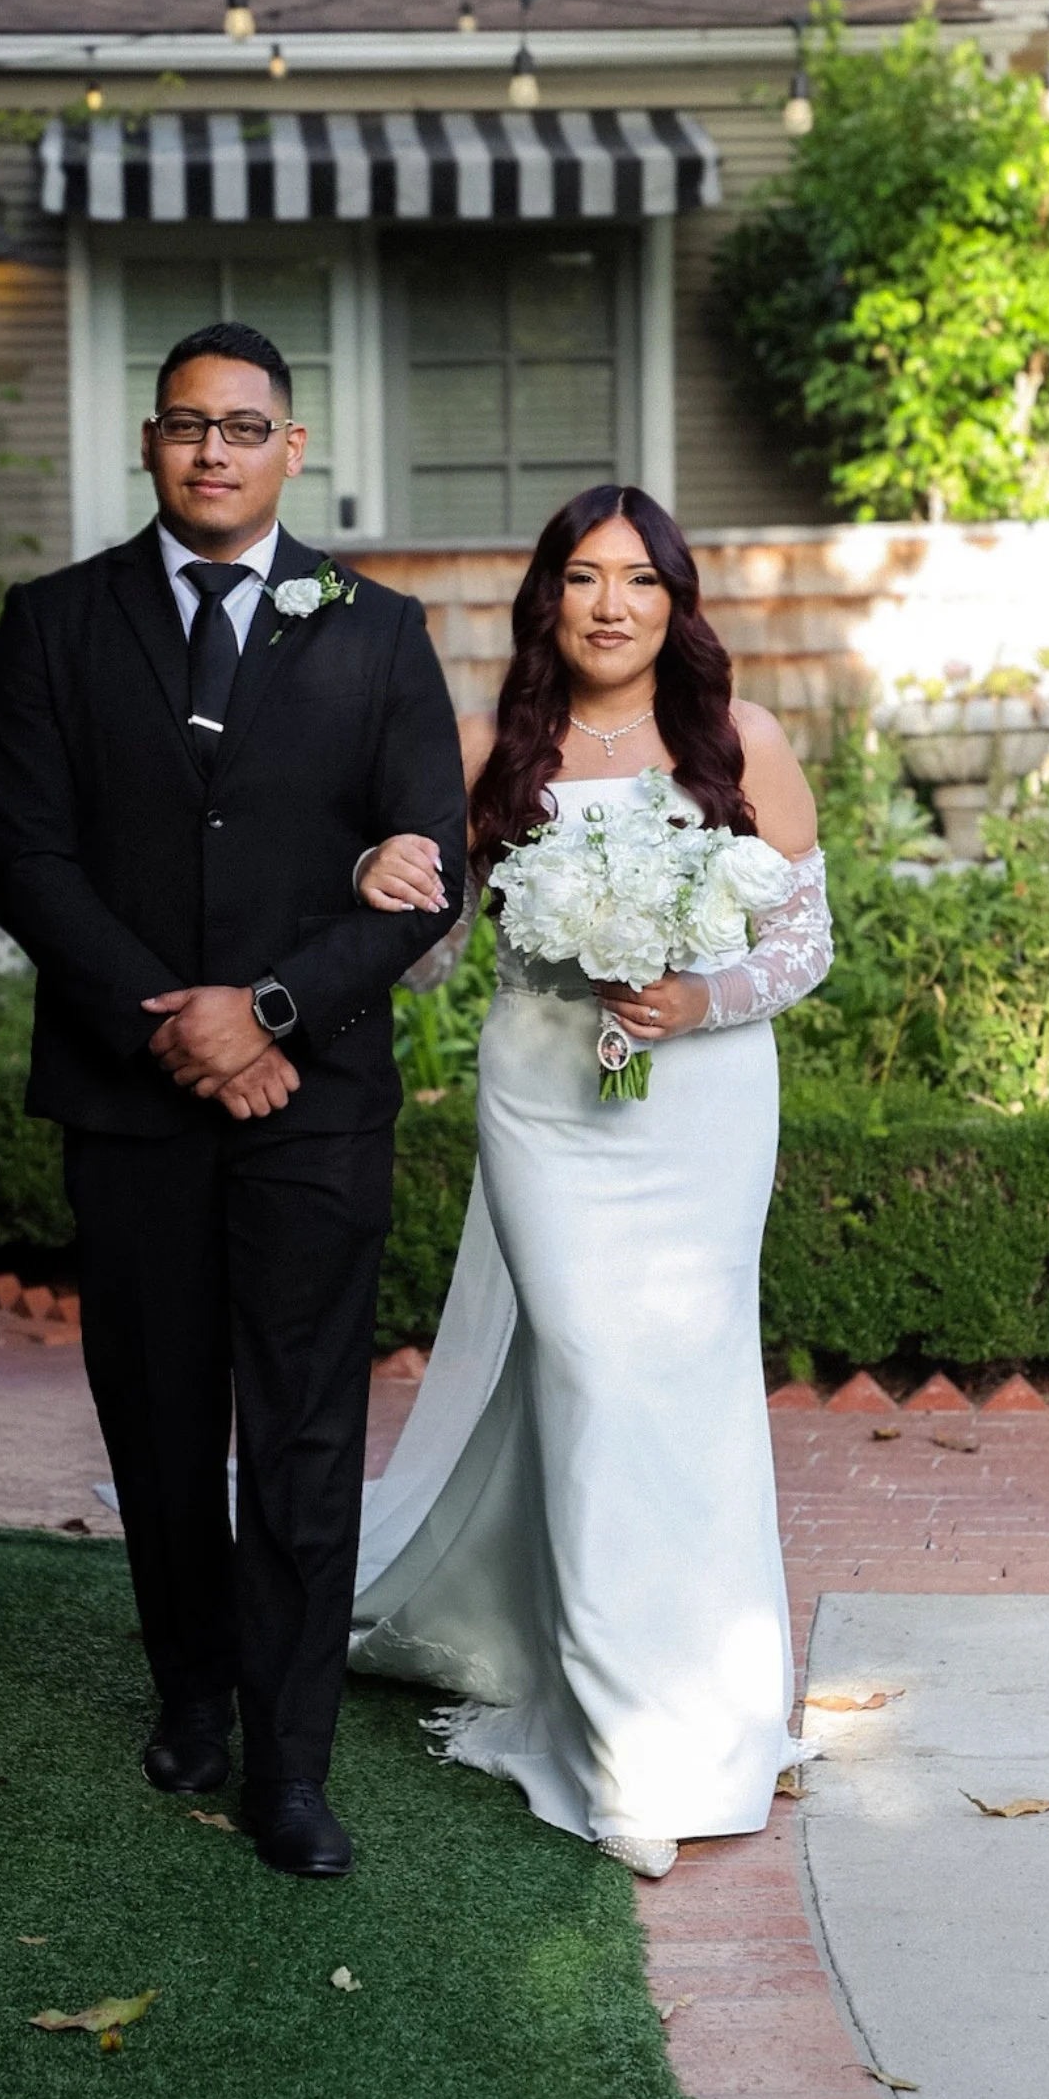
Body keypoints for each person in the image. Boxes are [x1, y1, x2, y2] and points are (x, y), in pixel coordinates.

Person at [0, 321, 467, 1879]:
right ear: (149, 441)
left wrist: (263, 1012)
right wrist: (174, 1028)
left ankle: (291, 1761)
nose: (213, 450)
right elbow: (29, 863)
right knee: (161, 1416)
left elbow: (429, 871)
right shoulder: (53, 624)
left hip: (314, 1106)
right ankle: (190, 1689)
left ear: (290, 449)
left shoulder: (378, 634)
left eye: (243, 427)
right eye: (188, 424)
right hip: (130, 1106)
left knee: (307, 1431)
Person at [346, 486, 832, 1881]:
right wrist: (380, 876)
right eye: (582, 576)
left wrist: (700, 996)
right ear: (546, 597)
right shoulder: (490, 748)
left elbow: (805, 945)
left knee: (690, 1386)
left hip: (703, 1104)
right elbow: (431, 961)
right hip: (546, 1102)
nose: (610, 604)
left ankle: (715, 1708)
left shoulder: (740, 740)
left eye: (639, 580)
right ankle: (625, 1750)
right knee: (595, 1380)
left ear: (675, 604)